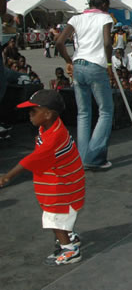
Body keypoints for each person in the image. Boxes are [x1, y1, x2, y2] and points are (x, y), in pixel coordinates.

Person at [0, 90, 85, 265]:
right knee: (60, 218)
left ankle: (69, 250)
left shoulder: (54, 137)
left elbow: (29, 160)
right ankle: (69, 236)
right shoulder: (49, 126)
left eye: (33, 111)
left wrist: (7, 177)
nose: (29, 115)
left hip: (61, 189)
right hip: (61, 183)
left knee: (53, 218)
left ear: (47, 114)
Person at [56, 0, 114, 170]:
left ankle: (81, 158)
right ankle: (94, 157)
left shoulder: (76, 18)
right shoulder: (105, 17)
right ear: (104, 4)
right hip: (96, 65)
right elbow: (106, 42)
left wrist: (69, 60)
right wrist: (110, 63)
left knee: (83, 113)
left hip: (79, 64)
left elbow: (59, 41)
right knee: (105, 111)